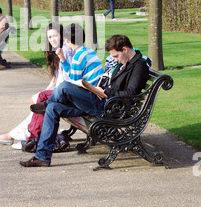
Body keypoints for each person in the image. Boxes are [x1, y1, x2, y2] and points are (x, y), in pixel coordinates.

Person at [20, 34, 150, 167]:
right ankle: (42, 157)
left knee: (65, 86)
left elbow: (130, 93)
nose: (115, 60)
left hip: (110, 108)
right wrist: (96, 88)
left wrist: (105, 91)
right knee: (53, 108)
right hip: (102, 99)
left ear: (125, 49)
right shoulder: (124, 62)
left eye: (116, 56)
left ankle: (47, 103)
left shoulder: (139, 66)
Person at [0, 23, 74, 148]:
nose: (52, 39)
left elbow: (67, 78)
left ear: (61, 36)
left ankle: (26, 136)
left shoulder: (65, 51)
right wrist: (43, 93)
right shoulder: (57, 52)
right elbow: (56, 79)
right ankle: (22, 134)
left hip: (66, 93)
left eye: (55, 36)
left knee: (37, 101)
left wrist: (43, 95)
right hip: (59, 90)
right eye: (49, 37)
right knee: (36, 100)